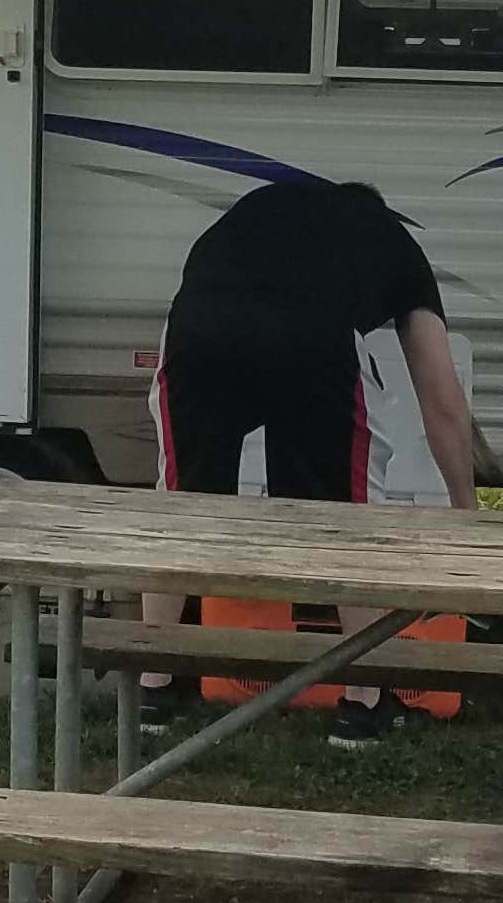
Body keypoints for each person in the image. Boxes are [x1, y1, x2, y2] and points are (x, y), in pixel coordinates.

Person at [141, 176, 480, 748]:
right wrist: (468, 511)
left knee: (182, 511)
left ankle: (151, 688)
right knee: (344, 523)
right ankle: (363, 704)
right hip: (311, 337)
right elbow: (442, 403)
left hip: (199, 327)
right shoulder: (396, 247)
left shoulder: (269, 205)